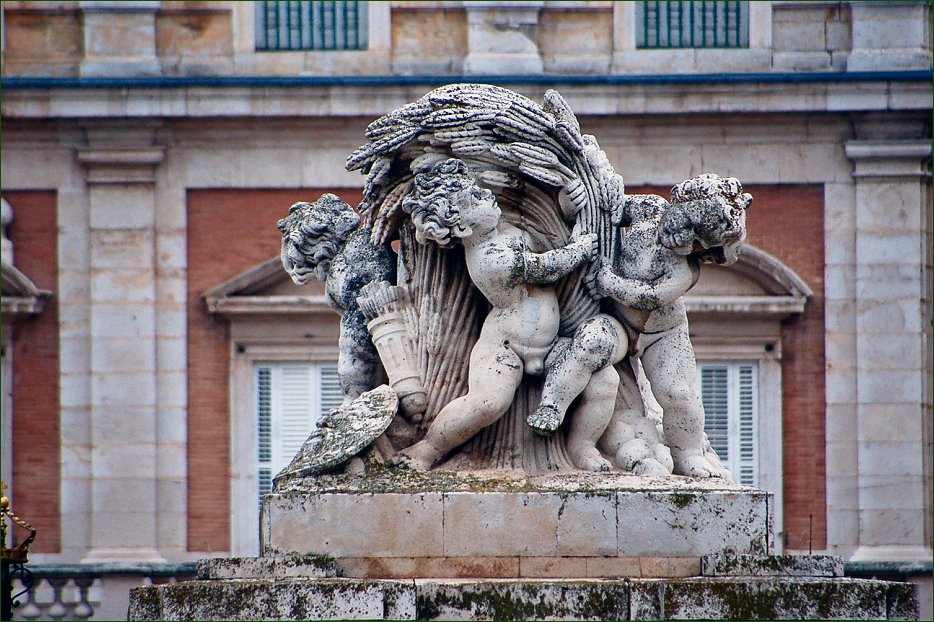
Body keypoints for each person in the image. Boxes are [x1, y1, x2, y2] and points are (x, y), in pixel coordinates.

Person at [530, 173, 751, 478]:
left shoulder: (685, 270)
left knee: (679, 395)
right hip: (619, 323)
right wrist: (575, 205)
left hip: (663, 334)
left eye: (702, 247)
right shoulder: (648, 208)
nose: (694, 248)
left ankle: (687, 452)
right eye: (697, 237)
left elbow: (649, 297)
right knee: (591, 342)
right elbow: (605, 215)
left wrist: (609, 282)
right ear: (689, 210)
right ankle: (552, 404)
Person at [394, 158, 597, 471]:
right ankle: (427, 449)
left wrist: (570, 205)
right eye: (475, 199)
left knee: (604, 381)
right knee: (488, 402)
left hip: (552, 345)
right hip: (505, 347)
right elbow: (547, 268)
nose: (487, 196)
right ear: (462, 226)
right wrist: (582, 249)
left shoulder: (504, 231)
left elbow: (550, 236)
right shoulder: (491, 258)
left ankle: (583, 447)